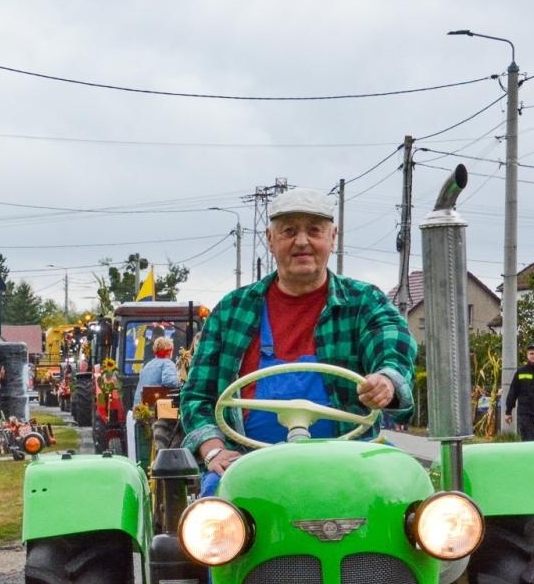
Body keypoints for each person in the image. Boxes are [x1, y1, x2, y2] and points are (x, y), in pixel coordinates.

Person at [180, 186, 416, 492]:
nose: (302, 242)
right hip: (251, 466)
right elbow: (197, 396)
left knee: (406, 489)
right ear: (270, 239)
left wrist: (386, 380)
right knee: (213, 504)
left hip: (351, 463)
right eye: (289, 231)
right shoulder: (231, 311)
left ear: (333, 237)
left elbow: (392, 344)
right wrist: (214, 450)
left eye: (314, 231)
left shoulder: (364, 302)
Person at [135, 335, 182, 405]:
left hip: (139, 406)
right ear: (170, 351)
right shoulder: (167, 363)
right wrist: (180, 381)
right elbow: (169, 382)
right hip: (155, 406)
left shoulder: (148, 364)